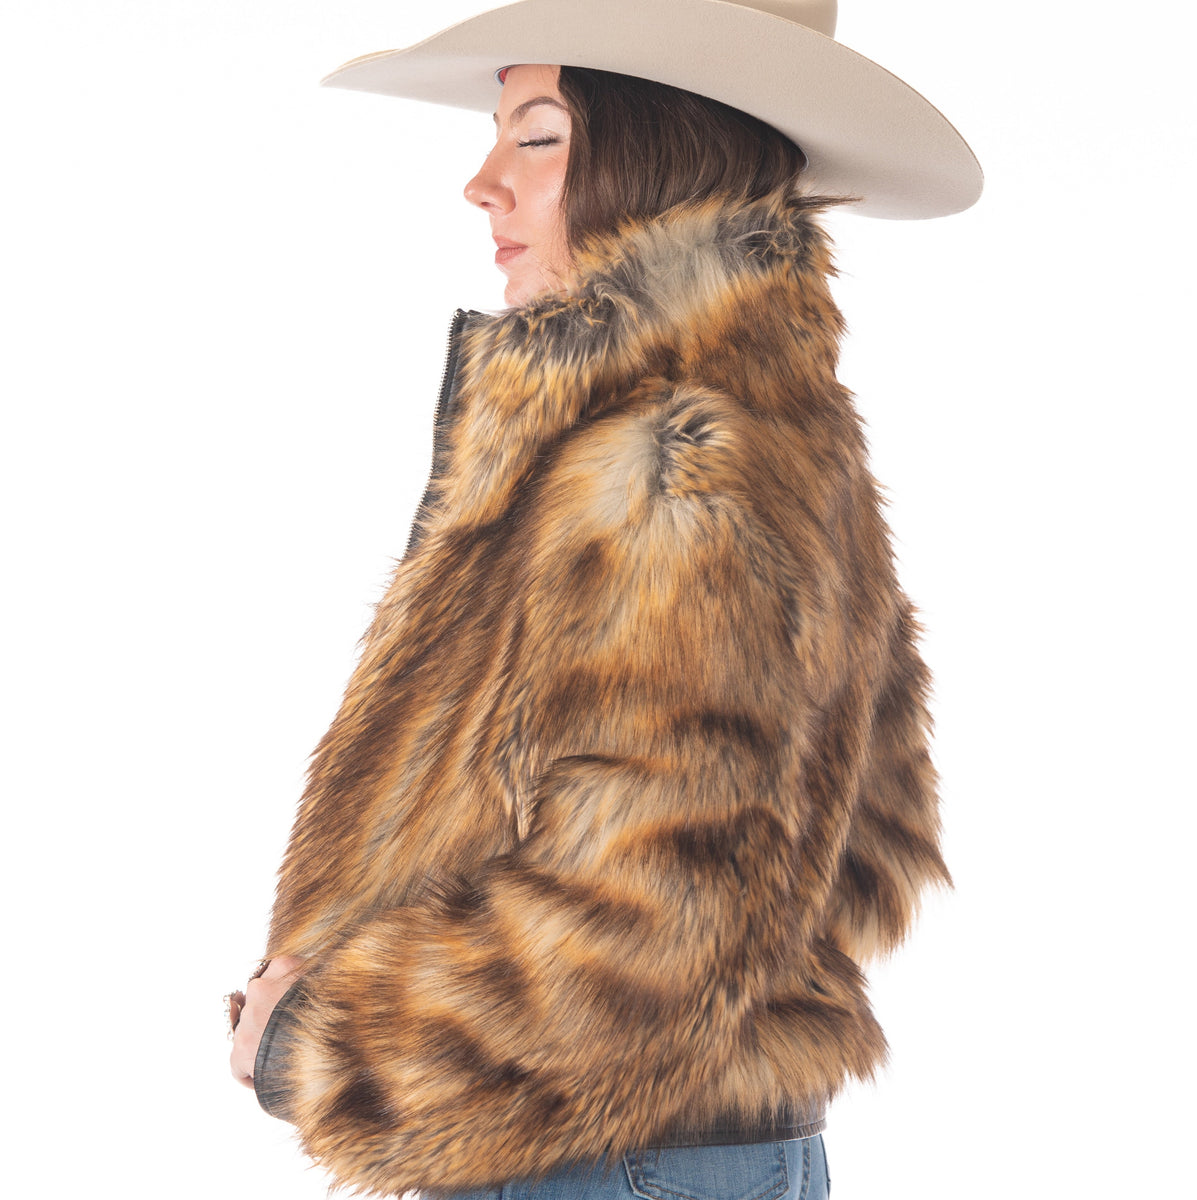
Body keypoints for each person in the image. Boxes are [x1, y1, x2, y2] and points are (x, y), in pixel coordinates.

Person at [229, 2, 980, 1196]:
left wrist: (326, 1045)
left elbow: (652, 925)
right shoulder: (773, 432)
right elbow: (866, 847)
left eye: (535, 137)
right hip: (672, 1152)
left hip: (603, 1161)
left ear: (655, 153)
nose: (483, 183)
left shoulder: (672, 459)